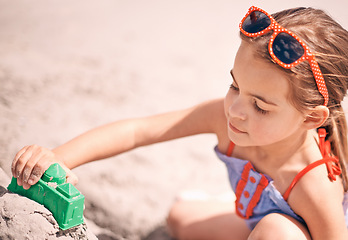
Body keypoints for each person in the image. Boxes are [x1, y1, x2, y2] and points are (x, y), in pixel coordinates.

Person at [11, 5, 348, 240]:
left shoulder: (314, 188)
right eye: (235, 86)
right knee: (180, 219)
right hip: (256, 220)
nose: (235, 110)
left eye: (260, 106)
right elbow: (139, 131)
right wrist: (58, 157)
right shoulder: (227, 115)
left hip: (291, 232)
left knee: (277, 232)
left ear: (310, 118)